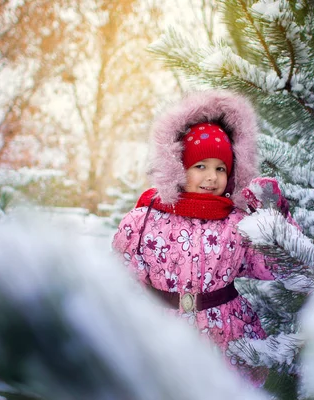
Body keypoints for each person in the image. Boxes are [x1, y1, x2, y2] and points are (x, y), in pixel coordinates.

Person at [112, 89, 291, 385]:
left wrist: (275, 218)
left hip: (226, 335)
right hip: (162, 333)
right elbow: (120, 278)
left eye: (221, 168)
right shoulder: (145, 219)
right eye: (201, 166)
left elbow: (275, 266)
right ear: (179, 168)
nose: (211, 177)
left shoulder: (237, 222)